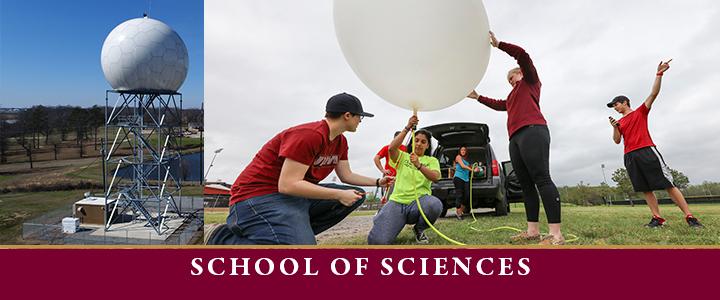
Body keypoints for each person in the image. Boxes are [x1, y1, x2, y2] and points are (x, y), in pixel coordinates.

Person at [205, 93, 394, 245]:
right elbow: (287, 185)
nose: (360, 120)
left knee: (356, 195)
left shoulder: (340, 141)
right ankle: (222, 238)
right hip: (256, 198)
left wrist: (378, 181)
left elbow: (346, 175)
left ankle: (293, 231)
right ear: (347, 116)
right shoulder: (309, 135)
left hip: (291, 198)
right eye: (359, 116)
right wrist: (337, 195)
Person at [466, 31, 564, 245]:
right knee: (526, 184)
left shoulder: (530, 81)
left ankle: (556, 234)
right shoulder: (512, 96)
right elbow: (501, 105)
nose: (511, 82)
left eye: (513, 77)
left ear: (521, 73)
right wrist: (478, 97)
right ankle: (532, 231)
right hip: (515, 138)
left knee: (542, 178)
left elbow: (522, 54)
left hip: (533, 130)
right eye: (509, 80)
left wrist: (499, 44)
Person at [607, 60, 702, 228]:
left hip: (647, 151)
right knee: (645, 188)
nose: (614, 107)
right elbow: (616, 141)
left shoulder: (640, 112)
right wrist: (615, 127)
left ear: (625, 102)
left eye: (616, 104)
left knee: (668, 184)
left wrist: (659, 74)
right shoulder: (620, 123)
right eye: (613, 106)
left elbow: (653, 94)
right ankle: (657, 218)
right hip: (630, 155)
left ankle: (690, 217)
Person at [367, 115, 443, 245]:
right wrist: (407, 127)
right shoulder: (403, 156)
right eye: (416, 140)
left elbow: (435, 177)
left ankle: (419, 230)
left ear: (427, 145)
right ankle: (385, 217)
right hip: (397, 202)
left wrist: (419, 165)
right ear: (412, 142)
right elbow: (391, 148)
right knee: (377, 242)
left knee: (434, 205)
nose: (419, 143)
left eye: (423, 142)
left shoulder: (432, 160)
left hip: (419, 202)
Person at [373, 131, 407, 204]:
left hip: (401, 177)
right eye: (398, 138)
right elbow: (376, 158)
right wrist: (382, 170)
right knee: (387, 199)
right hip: (389, 177)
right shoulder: (387, 148)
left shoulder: (406, 148)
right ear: (394, 138)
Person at [453, 146, 480, 220]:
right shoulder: (458, 157)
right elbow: (462, 166)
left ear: (466, 151)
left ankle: (461, 210)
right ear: (460, 151)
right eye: (462, 150)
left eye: (464, 150)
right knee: (459, 195)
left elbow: (473, 168)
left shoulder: (468, 161)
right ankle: (459, 213)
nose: (463, 151)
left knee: (467, 195)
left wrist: (476, 169)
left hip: (466, 179)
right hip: (458, 178)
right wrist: (472, 170)